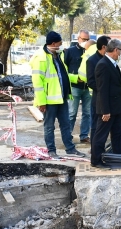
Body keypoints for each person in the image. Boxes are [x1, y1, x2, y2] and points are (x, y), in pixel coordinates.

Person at [30, 31, 85, 159]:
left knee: (66, 125)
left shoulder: (57, 55)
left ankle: (70, 149)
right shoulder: (41, 58)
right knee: (49, 127)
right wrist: (41, 102)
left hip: (61, 98)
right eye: (59, 43)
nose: (60, 46)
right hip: (49, 100)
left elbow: (61, 76)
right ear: (53, 43)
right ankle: (51, 151)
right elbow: (37, 82)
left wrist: (76, 78)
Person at [82, 36, 121, 147]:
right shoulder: (93, 61)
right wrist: (106, 92)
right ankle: (96, 152)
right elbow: (92, 83)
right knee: (98, 129)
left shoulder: (112, 62)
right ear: (105, 47)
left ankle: (117, 152)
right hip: (100, 100)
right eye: (120, 50)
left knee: (116, 128)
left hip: (112, 101)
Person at [91, 39, 121, 168]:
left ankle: (119, 156)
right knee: (101, 135)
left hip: (115, 106)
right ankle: (96, 160)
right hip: (107, 109)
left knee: (117, 133)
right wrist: (105, 111)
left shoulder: (113, 64)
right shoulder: (103, 65)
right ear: (116, 50)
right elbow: (102, 90)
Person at [63, 30, 92, 143]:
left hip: (88, 87)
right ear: (78, 38)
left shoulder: (91, 51)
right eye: (83, 39)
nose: (85, 41)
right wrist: (76, 78)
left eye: (87, 39)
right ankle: (67, 136)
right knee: (72, 113)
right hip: (74, 87)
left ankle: (84, 135)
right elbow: (63, 72)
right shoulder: (70, 52)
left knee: (87, 113)